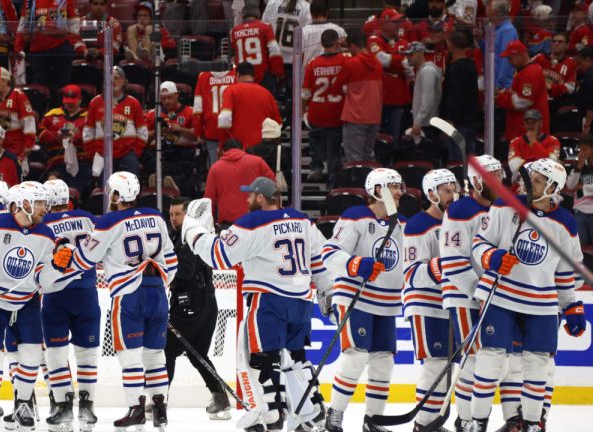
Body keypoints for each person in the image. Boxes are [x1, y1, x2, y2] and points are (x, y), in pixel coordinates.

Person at [181, 177, 333, 431]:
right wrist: (327, 293)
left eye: (250, 195)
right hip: (301, 302)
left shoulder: (253, 222)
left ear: (261, 197)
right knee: (297, 358)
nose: (247, 199)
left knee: (263, 359)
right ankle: (311, 412)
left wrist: (193, 230)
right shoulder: (303, 220)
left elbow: (219, 256)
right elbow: (319, 260)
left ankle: (272, 417)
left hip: (268, 300)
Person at [469, 158, 585, 432]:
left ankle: (533, 425)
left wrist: (570, 305)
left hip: (542, 305)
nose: (527, 182)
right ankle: (477, 423)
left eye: (536, 179)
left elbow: (564, 273)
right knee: (491, 358)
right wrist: (491, 257)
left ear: (553, 187)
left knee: (537, 365)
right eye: (530, 176)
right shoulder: (504, 205)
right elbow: (479, 243)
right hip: (501, 297)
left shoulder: (565, 224)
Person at [54, 171, 176, 431]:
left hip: (129, 294)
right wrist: (159, 284)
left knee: (130, 357)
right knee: (155, 355)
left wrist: (63, 256)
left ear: (118, 195)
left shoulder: (109, 221)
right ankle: (160, 409)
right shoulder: (156, 216)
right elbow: (171, 259)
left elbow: (86, 258)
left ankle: (136, 409)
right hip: (157, 291)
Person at [0, 181, 62, 430]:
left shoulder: (47, 235)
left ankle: (23, 404)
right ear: (24, 203)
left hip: (27, 302)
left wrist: (57, 267)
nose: (44, 208)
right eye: (39, 202)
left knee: (32, 353)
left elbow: (43, 281)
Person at [322, 168, 405, 432]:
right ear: (378, 190)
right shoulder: (355, 217)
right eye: (394, 186)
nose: (400, 191)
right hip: (355, 298)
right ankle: (334, 417)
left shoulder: (400, 223)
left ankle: (374, 422)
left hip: (387, 302)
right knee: (355, 356)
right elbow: (329, 251)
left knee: (384, 361)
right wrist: (355, 264)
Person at [439, 155, 504, 432]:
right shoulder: (459, 211)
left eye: (501, 174)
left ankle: (482, 419)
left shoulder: (502, 208)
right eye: (493, 176)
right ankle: (465, 420)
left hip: (497, 296)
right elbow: (452, 261)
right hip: (465, 295)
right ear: (477, 181)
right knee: (473, 359)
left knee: (494, 360)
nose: (500, 181)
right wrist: (479, 291)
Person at [40, 179, 100, 431]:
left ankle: (63, 406)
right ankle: (87, 407)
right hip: (87, 294)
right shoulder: (87, 218)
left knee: (56, 354)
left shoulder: (42, 224)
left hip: (56, 295)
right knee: (86, 353)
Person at [163, 197, 230, 420]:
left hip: (191, 302)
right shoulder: (189, 236)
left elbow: (185, 271)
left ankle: (159, 399)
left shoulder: (189, 236)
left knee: (167, 350)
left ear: (188, 216)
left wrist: (161, 269)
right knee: (197, 353)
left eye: (178, 214)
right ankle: (220, 397)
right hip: (206, 301)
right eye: (171, 214)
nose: (173, 219)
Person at [402, 169, 459, 431]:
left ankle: (434, 422)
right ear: (431, 194)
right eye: (446, 190)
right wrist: (444, 266)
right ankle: (424, 424)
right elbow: (411, 273)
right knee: (435, 363)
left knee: (449, 365)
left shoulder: (459, 223)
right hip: (426, 303)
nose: (452, 194)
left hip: (452, 303)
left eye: (454, 188)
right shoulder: (418, 225)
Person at [302, 29, 349, 186]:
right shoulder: (345, 61)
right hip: (337, 110)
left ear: (321, 44)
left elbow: (306, 93)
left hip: (316, 110)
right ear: (337, 43)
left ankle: (316, 167)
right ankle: (333, 177)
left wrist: (304, 110)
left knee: (315, 141)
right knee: (333, 147)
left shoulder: (312, 63)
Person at [83, 67, 147, 176]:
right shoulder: (95, 102)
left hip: (127, 154)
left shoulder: (133, 103)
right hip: (102, 155)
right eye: (109, 78)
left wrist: (135, 152)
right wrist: (93, 153)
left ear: (124, 82)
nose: (112, 81)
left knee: (129, 185)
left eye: (116, 78)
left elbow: (142, 132)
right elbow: (88, 132)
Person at [14, 0, 82, 93]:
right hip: (38, 51)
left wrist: (73, 43)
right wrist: (18, 48)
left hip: (61, 49)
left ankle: (61, 106)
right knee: (40, 89)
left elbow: (74, 25)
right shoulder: (30, 1)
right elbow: (22, 27)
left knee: (62, 88)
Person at [367, 9, 412, 148]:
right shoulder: (373, 40)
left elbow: (410, 66)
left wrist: (392, 62)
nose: (399, 24)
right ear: (383, 23)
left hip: (399, 99)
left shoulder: (405, 42)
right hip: (379, 100)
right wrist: (400, 62)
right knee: (378, 139)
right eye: (395, 22)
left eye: (399, 21)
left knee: (396, 138)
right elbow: (381, 60)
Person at [204, 139, 275, 226]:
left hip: (228, 223)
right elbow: (272, 186)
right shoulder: (257, 161)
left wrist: (211, 224)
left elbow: (209, 199)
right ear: (244, 149)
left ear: (222, 152)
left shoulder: (215, 168)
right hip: (256, 220)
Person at [145, 81, 198, 197]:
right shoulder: (152, 114)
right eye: (163, 99)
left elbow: (196, 137)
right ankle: (156, 185)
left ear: (177, 95)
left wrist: (180, 129)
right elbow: (144, 140)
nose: (167, 101)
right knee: (152, 162)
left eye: (169, 97)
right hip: (159, 152)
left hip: (182, 152)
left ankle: (173, 186)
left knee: (182, 168)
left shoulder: (190, 112)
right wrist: (157, 131)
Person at [338, 29, 383, 163]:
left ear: (352, 46)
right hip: (374, 117)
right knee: (368, 156)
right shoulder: (378, 64)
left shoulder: (351, 63)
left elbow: (337, 85)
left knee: (354, 160)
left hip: (355, 117)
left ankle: (357, 184)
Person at [0, 67, 36, 163]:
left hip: (17, 149)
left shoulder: (18, 95)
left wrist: (26, 149)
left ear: (5, 81)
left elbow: (29, 123)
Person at [218, 62, 282, 150]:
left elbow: (224, 120)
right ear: (253, 75)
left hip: (237, 149)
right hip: (261, 150)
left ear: (237, 74)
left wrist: (222, 145)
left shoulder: (230, 91)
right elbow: (277, 124)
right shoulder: (267, 94)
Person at [496, 40, 549, 142]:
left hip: (528, 132)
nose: (509, 61)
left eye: (510, 58)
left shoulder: (530, 72)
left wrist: (500, 98)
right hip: (523, 131)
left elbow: (522, 102)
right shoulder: (525, 70)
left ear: (520, 55)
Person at [38, 85, 89, 191]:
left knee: (76, 190)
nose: (69, 104)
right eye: (67, 101)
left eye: (73, 101)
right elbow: (40, 135)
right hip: (57, 163)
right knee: (52, 185)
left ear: (80, 100)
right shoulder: (51, 115)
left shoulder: (88, 117)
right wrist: (57, 135)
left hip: (82, 163)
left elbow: (93, 137)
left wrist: (76, 137)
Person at [440, 30, 480, 161]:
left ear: (452, 45)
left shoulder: (456, 68)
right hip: (470, 120)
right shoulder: (471, 65)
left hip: (458, 123)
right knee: (469, 159)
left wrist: (449, 119)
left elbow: (454, 95)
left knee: (457, 161)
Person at [230, 5, 284, 95]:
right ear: (258, 14)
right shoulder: (265, 27)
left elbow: (233, 56)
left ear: (243, 15)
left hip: (243, 76)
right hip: (263, 76)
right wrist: (279, 72)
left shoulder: (234, 31)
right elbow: (274, 50)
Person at [193, 66, 236, 166]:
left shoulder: (203, 76)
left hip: (212, 130)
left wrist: (198, 132)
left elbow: (197, 108)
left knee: (216, 167)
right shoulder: (237, 73)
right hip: (233, 130)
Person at [405, 41, 442, 151]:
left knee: (427, 158)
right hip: (426, 123)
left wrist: (418, 122)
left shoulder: (427, 71)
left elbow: (428, 99)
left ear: (420, 54)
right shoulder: (424, 70)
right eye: (406, 55)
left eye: (410, 54)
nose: (407, 57)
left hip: (427, 124)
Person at [507, 109, 561, 175]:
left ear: (541, 123)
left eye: (534, 122)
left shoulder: (553, 141)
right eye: (528, 123)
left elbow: (550, 164)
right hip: (522, 181)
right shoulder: (515, 142)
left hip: (544, 180)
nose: (530, 126)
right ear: (524, 124)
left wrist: (534, 143)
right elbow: (514, 167)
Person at [532, 32, 577, 110]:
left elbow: (570, 87)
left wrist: (551, 87)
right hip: (537, 101)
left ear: (567, 46)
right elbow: (526, 75)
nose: (556, 43)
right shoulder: (539, 58)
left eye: (560, 42)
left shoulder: (571, 63)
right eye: (554, 41)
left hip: (558, 104)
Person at [261, 0, 312, 66]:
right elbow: (307, 36)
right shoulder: (305, 7)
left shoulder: (272, 3)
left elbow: (263, 28)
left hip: (274, 57)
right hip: (294, 60)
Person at [302, 0, 346, 65]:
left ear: (311, 14)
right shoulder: (338, 29)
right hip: (333, 71)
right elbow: (345, 51)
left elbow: (300, 56)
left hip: (310, 70)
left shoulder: (303, 31)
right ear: (327, 13)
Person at [487, 0, 519, 90]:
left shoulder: (508, 30)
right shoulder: (493, 29)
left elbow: (506, 59)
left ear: (496, 12)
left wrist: (499, 85)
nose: (486, 11)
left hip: (501, 87)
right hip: (492, 82)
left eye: (489, 7)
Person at [567, 135, 593, 246]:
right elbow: (570, 186)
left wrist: (582, 187)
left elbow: (578, 187)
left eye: (585, 149)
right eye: (580, 149)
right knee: (582, 250)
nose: (582, 153)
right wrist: (578, 168)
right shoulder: (577, 166)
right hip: (579, 211)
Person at [575, 47, 593, 135]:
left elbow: (591, 103)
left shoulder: (590, 76)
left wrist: (587, 125)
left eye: (580, 63)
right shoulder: (587, 75)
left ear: (588, 60)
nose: (579, 67)